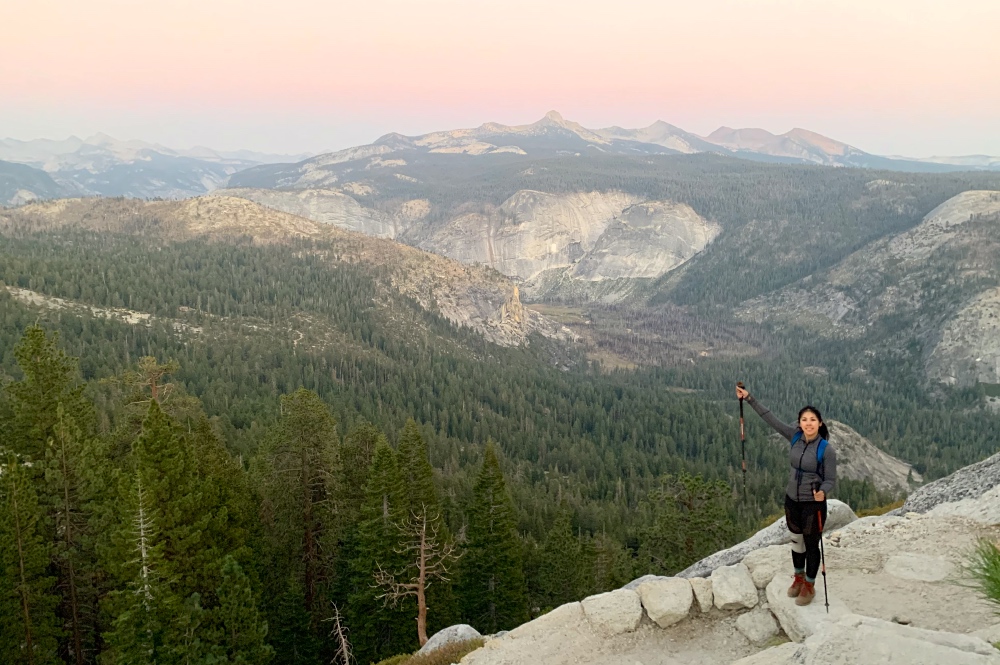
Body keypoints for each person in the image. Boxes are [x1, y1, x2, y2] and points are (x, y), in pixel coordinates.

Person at [735, 384, 837, 606]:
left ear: (820, 423)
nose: (808, 423)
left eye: (812, 420)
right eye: (804, 420)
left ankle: (809, 585)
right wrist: (749, 398)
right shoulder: (794, 436)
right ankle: (798, 578)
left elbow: (830, 479)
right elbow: (770, 418)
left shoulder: (826, 449)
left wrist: (823, 492)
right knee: (796, 542)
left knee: (811, 545)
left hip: (813, 503)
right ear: (799, 423)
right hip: (792, 500)